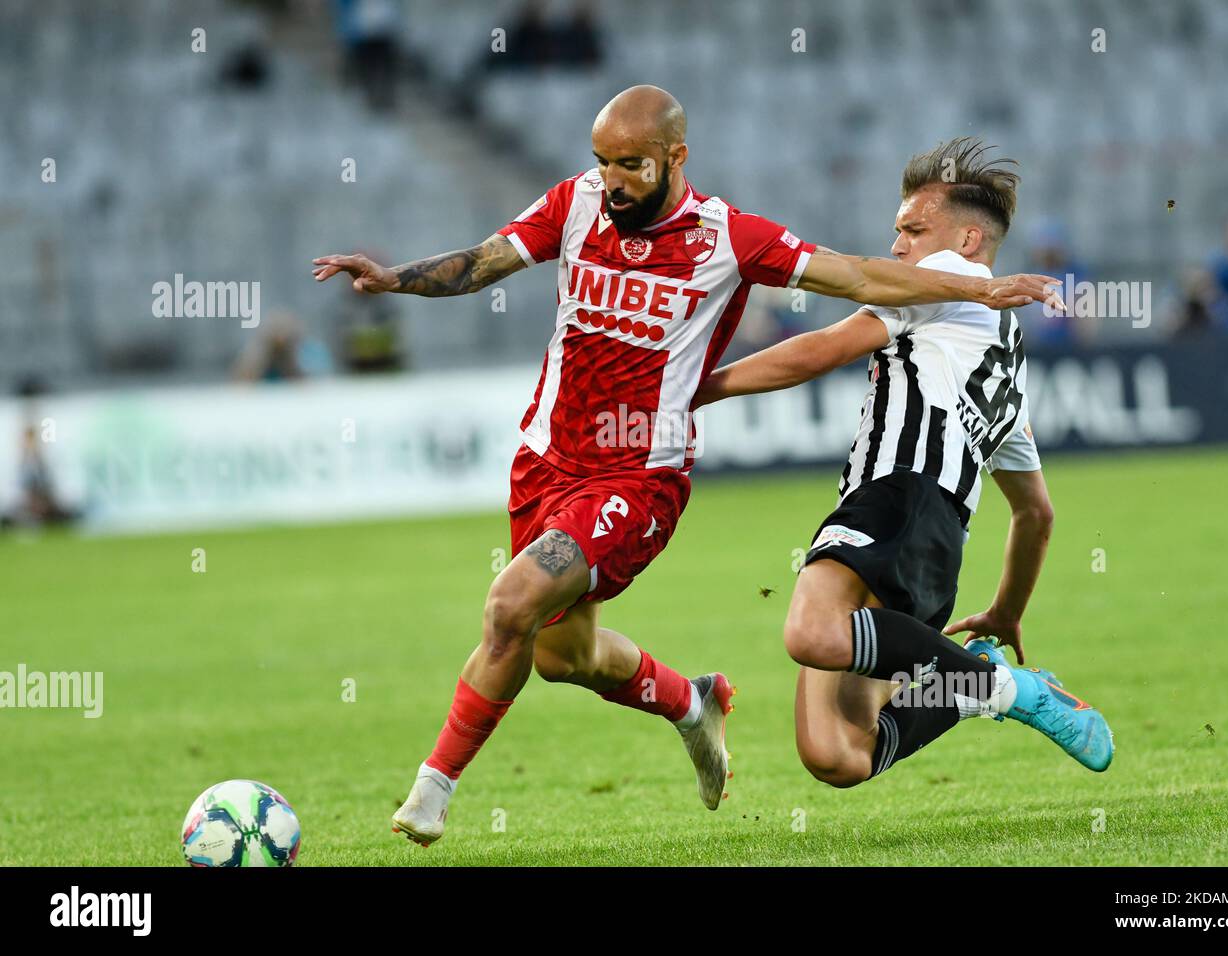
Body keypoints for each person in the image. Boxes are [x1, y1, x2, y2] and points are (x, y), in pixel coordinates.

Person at [312, 90, 1063, 846]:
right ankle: (690, 701)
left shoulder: (728, 238)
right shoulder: (575, 204)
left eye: (631, 164)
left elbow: (860, 279)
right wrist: (392, 277)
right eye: (603, 161)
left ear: (675, 158)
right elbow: (482, 263)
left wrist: (980, 287)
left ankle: (432, 790)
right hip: (545, 460)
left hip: (638, 476)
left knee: (512, 603)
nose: (613, 180)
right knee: (559, 655)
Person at [695, 137, 1113, 788]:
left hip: (899, 495)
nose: (898, 249)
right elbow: (1036, 512)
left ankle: (1003, 690)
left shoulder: (952, 286)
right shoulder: (1006, 360)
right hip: (935, 544)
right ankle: (975, 674)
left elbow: (822, 349)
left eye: (913, 230)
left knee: (810, 634)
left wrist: (703, 389)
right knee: (835, 754)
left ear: (969, 242)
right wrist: (1005, 610)